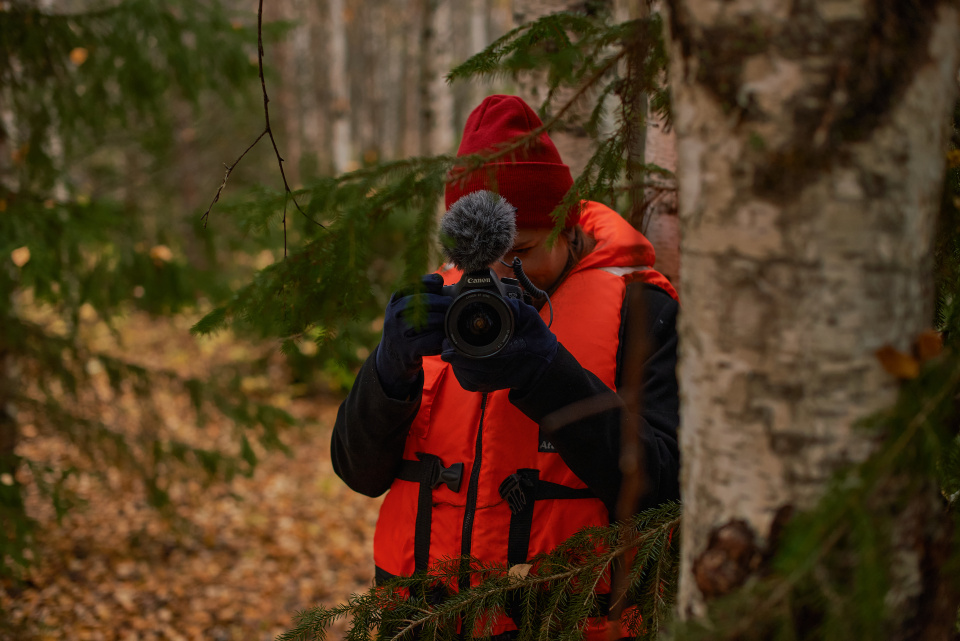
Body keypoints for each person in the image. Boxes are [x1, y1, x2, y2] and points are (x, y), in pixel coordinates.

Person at [331, 94, 680, 639]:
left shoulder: (642, 314)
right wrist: (387, 371)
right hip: (423, 622)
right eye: (480, 258)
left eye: (520, 252)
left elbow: (665, 491)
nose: (499, 276)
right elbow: (359, 472)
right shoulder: (446, 307)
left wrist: (545, 375)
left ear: (568, 228)